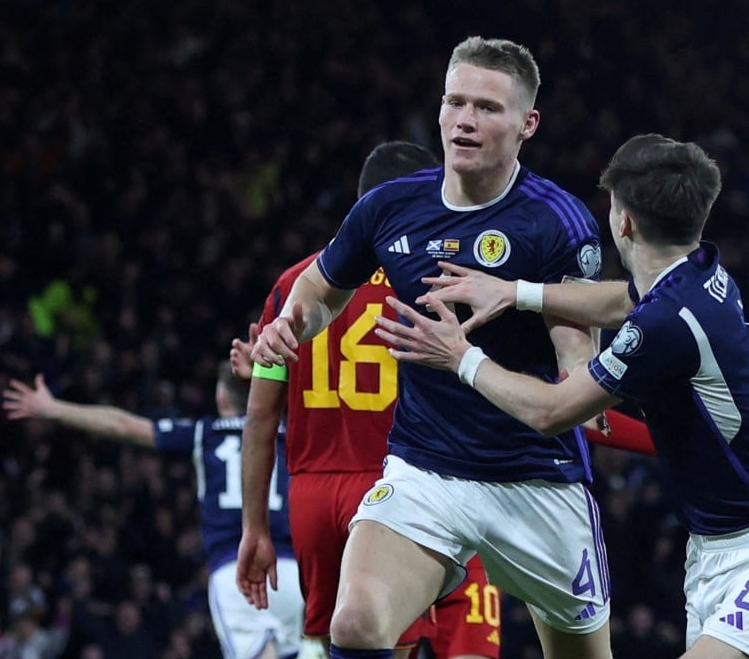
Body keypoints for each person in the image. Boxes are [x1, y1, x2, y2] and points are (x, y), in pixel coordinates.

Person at [374, 133, 749, 659]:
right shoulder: (699, 274)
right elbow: (623, 299)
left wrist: (460, 357)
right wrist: (515, 292)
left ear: (623, 222)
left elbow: (550, 412)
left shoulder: (664, 325)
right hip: (714, 552)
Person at [249, 36, 612, 659]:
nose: (465, 120)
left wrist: (573, 375)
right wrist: (293, 321)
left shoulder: (557, 220)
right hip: (426, 469)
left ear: (527, 124)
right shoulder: (390, 207)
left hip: (536, 479)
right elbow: (319, 287)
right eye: (455, 102)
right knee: (354, 622)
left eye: (487, 108)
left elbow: (574, 347)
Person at [233, 140, 500, 659]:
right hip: (393, 489)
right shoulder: (428, 280)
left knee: (329, 647)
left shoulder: (293, 285)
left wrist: (254, 527)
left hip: (310, 498)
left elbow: (259, 418)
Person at [2, 362, 303, 659]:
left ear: (222, 397)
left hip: (236, 570)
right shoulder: (289, 436)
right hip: (291, 572)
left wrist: (54, 408)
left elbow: (122, 425)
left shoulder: (204, 434)